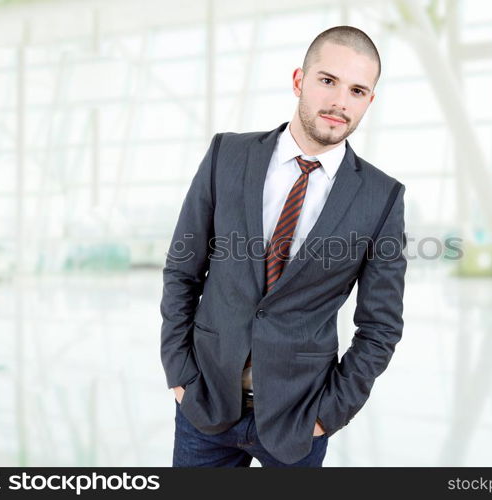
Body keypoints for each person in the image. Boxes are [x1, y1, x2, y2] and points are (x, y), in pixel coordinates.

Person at [161, 25, 407, 467]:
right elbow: (182, 269)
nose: (339, 102)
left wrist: (328, 414)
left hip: (299, 422)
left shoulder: (381, 197)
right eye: (327, 81)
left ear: (369, 101)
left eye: (357, 90)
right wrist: (180, 375)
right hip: (205, 406)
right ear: (299, 80)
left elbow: (380, 327)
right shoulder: (227, 156)